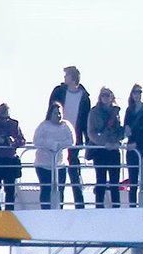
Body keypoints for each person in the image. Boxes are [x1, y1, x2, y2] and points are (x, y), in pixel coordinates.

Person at [49, 66, 91, 208]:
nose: (64, 78)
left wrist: (88, 143)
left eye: (66, 76)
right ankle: (58, 204)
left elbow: (86, 121)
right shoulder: (58, 91)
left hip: (75, 136)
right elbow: (50, 112)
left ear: (73, 78)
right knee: (59, 170)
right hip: (58, 134)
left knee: (74, 169)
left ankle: (79, 204)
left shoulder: (84, 96)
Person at [87, 87, 124, 208]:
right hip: (100, 151)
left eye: (108, 95)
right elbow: (91, 133)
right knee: (101, 180)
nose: (105, 97)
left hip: (114, 151)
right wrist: (104, 143)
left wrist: (120, 138)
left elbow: (118, 131)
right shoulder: (94, 112)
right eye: (103, 95)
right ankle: (99, 207)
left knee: (115, 182)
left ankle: (116, 207)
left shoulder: (116, 112)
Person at [33, 102, 74, 209]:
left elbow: (71, 141)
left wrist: (59, 145)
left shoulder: (66, 126)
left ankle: (59, 209)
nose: (58, 116)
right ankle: (45, 210)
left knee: (60, 189)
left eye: (60, 113)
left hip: (60, 164)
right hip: (43, 164)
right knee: (46, 189)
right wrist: (51, 144)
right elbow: (37, 141)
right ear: (50, 113)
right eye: (55, 113)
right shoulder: (43, 126)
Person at [123, 84, 143, 207]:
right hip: (132, 150)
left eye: (140, 92)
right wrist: (126, 130)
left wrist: (137, 142)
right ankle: (132, 206)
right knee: (133, 180)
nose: (137, 94)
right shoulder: (129, 110)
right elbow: (126, 127)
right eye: (135, 92)